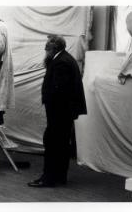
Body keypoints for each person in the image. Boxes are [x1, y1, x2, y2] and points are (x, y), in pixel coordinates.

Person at [28, 35, 87, 188]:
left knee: (52, 142)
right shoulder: (66, 59)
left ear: (54, 49)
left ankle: (48, 179)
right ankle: (60, 176)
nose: (45, 52)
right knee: (61, 144)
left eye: (47, 49)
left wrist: (51, 107)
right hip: (64, 112)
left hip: (60, 112)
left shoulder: (61, 62)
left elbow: (59, 90)